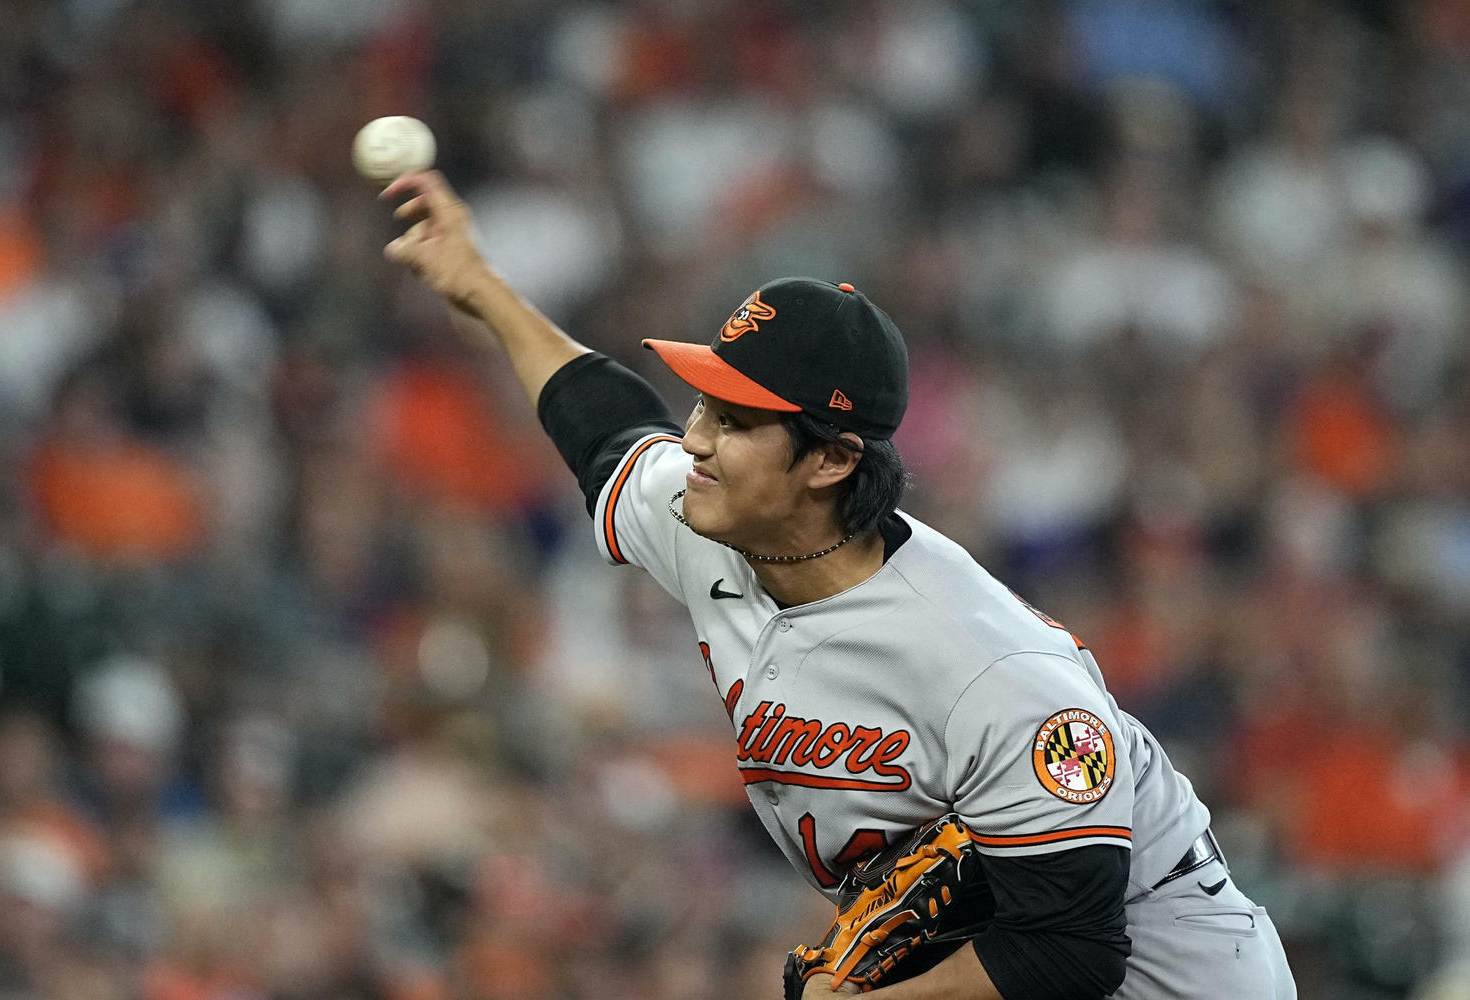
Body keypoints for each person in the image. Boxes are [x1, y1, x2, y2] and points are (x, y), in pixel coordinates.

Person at [379, 169, 1296, 1000]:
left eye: (735, 421)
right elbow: (607, 430)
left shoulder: (991, 668)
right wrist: (482, 288)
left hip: (1175, 973)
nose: (694, 440)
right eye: (703, 404)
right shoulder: (719, 517)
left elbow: (1072, 950)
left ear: (830, 460)